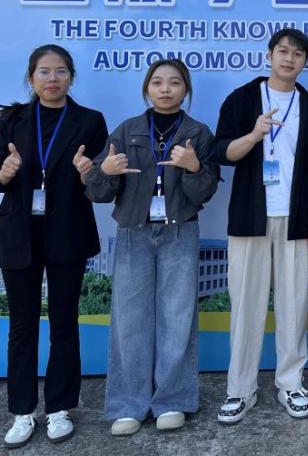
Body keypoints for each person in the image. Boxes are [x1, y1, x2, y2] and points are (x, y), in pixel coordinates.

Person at [85, 58, 220, 436]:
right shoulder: (127, 130)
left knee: (178, 317)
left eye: (174, 82)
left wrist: (194, 167)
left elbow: (204, 191)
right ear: (146, 88)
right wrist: (104, 172)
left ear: (185, 89)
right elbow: (98, 191)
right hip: (134, 232)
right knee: (130, 319)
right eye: (157, 82)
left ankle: (172, 401)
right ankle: (129, 404)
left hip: (180, 233)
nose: (165, 89)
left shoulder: (197, 132)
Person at [0, 44, 108, 449]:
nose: (52, 78)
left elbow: (102, 184)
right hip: (19, 233)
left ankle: (59, 408)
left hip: (67, 232)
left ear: (71, 76)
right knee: (21, 326)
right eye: (43, 71)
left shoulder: (90, 121)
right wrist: (5, 172)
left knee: (64, 323)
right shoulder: (14, 119)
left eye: (60, 71)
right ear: (31, 77)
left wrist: (88, 173)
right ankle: (22, 411)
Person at [213, 29, 308, 423]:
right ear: (269, 55)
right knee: (246, 306)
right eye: (282, 51)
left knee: (293, 304)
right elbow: (223, 153)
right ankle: (239, 390)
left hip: (296, 220)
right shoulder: (242, 99)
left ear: (305, 61)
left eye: (298, 54)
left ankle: (291, 384)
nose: (289, 59)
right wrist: (254, 134)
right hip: (250, 217)